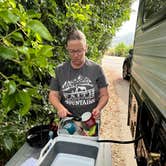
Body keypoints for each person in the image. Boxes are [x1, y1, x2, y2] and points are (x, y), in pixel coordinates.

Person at [49, 29, 109, 120]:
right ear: (67, 49)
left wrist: (98, 108)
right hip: (68, 121)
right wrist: (60, 108)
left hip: (90, 120)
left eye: (79, 51)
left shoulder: (97, 69)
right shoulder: (59, 70)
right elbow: (53, 95)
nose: (76, 55)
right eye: (72, 51)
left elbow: (104, 95)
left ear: (86, 48)